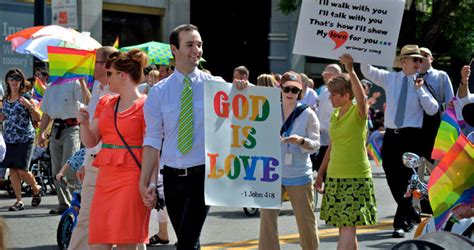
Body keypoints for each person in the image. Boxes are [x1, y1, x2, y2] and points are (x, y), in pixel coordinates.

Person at [139, 24, 247, 249]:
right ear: (174, 49)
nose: (196, 50)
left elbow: (249, 113)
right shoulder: (158, 92)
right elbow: (152, 139)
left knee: (186, 242)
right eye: (189, 44)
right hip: (170, 177)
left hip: (203, 176)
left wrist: (243, 90)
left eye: (199, 45)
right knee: (189, 240)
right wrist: (146, 180)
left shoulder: (216, 85)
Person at [361, 44, 439, 238]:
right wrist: (365, 48)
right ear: (403, 61)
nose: (418, 63)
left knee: (406, 178)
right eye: (415, 59)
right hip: (391, 135)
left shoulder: (422, 83)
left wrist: (420, 90)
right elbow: (367, 70)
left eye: (420, 60)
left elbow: (433, 109)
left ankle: (401, 222)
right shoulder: (391, 78)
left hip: (411, 137)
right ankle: (411, 212)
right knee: (391, 175)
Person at [78, 49, 150, 248]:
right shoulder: (105, 102)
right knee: (98, 242)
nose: (106, 77)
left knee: (127, 242)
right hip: (105, 179)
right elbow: (91, 141)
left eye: (110, 73)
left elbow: (153, 149)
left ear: (122, 75)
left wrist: (151, 183)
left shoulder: (147, 105)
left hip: (132, 178)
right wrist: (83, 123)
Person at [316, 54, 377, 249]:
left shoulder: (358, 112)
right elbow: (332, 146)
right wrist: (320, 173)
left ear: (346, 96)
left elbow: (361, 98)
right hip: (335, 176)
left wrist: (351, 71)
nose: (330, 98)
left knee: (349, 227)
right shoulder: (335, 115)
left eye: (334, 95)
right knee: (344, 228)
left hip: (355, 176)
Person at [258, 71, 320, 250]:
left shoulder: (308, 114)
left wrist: (301, 141)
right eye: (287, 88)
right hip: (273, 173)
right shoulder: (269, 109)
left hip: (299, 174)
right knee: (267, 220)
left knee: (306, 221)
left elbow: (316, 144)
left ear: (300, 92)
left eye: (295, 89)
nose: (290, 92)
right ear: (281, 89)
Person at [68, 45, 118, 250]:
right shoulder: (97, 89)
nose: (91, 64)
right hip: (94, 162)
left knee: (118, 222)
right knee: (86, 219)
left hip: (113, 163)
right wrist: (86, 162)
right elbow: (93, 135)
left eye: (94, 61)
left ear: (105, 65)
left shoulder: (118, 91)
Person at [38, 72, 90, 214]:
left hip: (72, 128)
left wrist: (82, 82)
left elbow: (87, 101)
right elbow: (46, 113)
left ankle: (78, 203)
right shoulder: (50, 87)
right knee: (56, 170)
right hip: (56, 129)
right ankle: (64, 204)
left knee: (71, 167)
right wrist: (41, 132)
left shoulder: (74, 82)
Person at [0, 69, 42, 211]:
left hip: (25, 138)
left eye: (17, 78)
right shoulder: (6, 99)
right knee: (12, 171)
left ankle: (36, 188)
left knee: (22, 170)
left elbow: (38, 117)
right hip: (9, 139)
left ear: (21, 81)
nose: (14, 81)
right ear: (7, 81)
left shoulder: (26, 97)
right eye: (11, 78)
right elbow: (3, 117)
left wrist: (29, 106)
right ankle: (19, 201)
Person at [419, 47, 455, 162]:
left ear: (431, 59)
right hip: (417, 122)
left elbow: (450, 102)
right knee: (417, 161)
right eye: (419, 56)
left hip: (435, 122)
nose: (422, 58)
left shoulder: (441, 76)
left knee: (434, 160)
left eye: (425, 55)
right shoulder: (412, 77)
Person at [313, 64, 341, 172]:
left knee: (326, 168)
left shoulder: (337, 91)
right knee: (320, 166)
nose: (322, 76)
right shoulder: (324, 90)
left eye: (324, 73)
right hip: (323, 136)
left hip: (331, 136)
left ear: (329, 74)